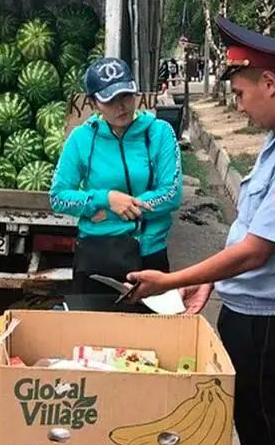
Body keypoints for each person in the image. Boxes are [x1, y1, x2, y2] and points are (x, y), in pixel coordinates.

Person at [126, 16, 275, 445]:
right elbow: (250, 233)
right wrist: (211, 281)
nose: (240, 106)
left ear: (269, 83)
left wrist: (171, 279)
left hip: (267, 327)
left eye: (241, 94)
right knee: (255, 432)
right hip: (249, 315)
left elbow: (257, 251)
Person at [49, 57, 183, 312]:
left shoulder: (160, 133)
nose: (121, 106)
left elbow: (171, 194)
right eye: (110, 100)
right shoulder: (81, 138)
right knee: (93, 333)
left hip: (149, 255)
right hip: (96, 256)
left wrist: (119, 209)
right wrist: (106, 199)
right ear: (93, 102)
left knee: (150, 334)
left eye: (126, 96)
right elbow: (59, 197)